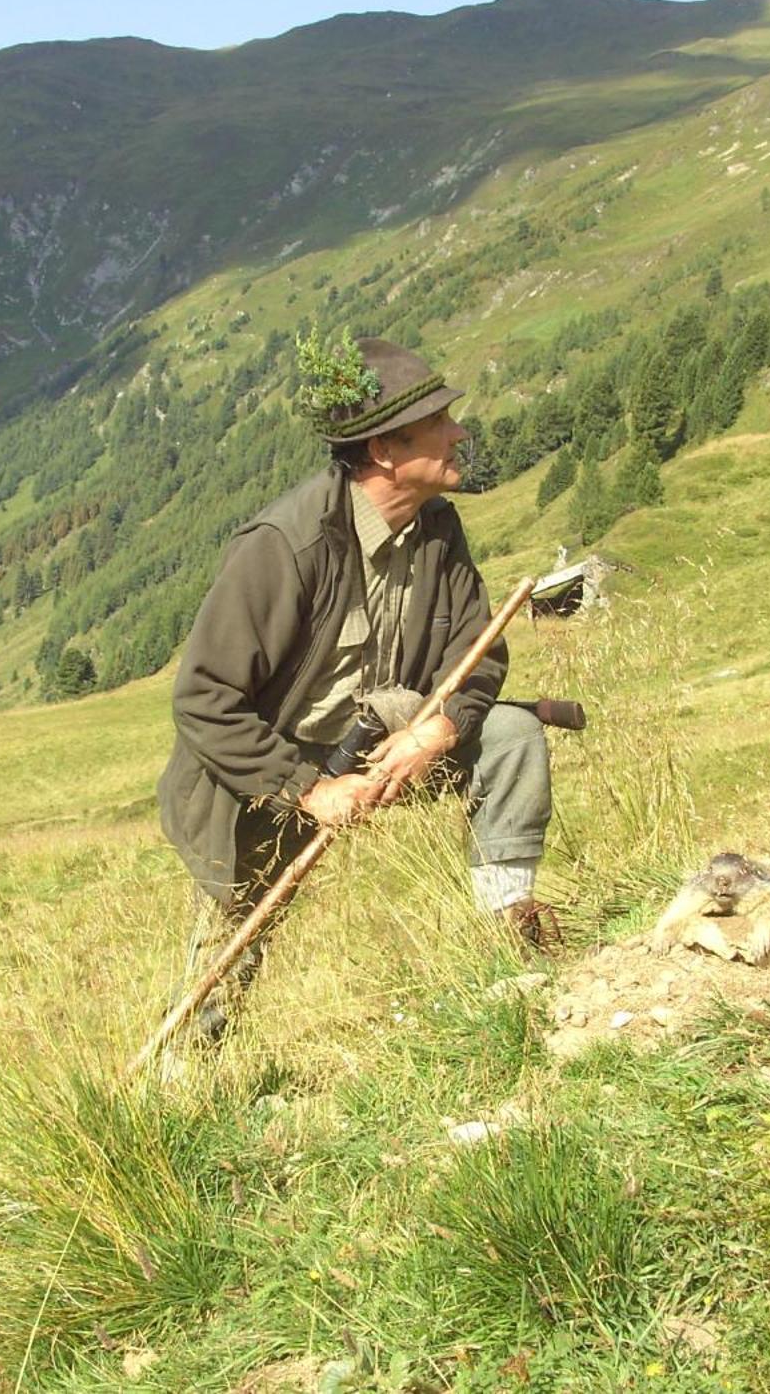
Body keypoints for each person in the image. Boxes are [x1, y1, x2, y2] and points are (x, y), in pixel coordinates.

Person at [156, 333, 554, 1045]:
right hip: (275, 769)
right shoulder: (285, 547)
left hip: (390, 737)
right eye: (439, 423)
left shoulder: (437, 526)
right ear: (384, 451)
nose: (459, 431)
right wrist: (306, 790)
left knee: (511, 737)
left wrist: (441, 727)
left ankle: (511, 941)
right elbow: (203, 700)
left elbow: (479, 648)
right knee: (240, 928)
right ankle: (186, 1074)